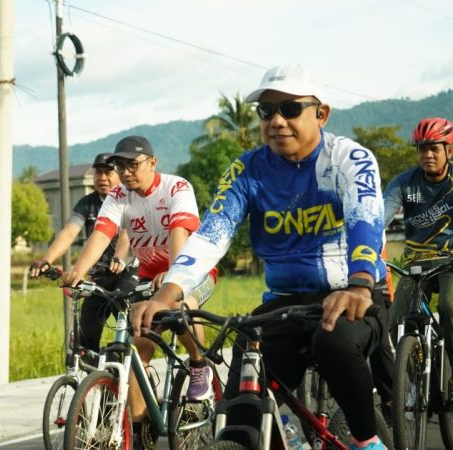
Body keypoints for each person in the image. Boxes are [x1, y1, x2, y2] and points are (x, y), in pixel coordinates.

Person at [131, 64, 390, 450]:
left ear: (321, 113)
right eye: (266, 112)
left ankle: (366, 440)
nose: (277, 121)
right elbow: (211, 235)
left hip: (352, 295)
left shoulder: (349, 159)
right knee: (242, 402)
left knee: (332, 343)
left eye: (290, 109)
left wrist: (359, 284)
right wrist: (167, 294)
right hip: (284, 304)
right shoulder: (247, 169)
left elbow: (365, 219)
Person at [61, 135, 216, 448]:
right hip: (148, 277)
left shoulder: (176, 188)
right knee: (137, 345)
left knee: (178, 308)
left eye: (133, 164)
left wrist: (173, 278)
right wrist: (78, 271)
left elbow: (178, 235)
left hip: (191, 270)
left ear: (152, 163)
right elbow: (102, 233)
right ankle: (139, 426)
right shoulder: (118, 195)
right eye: (122, 165)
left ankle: (200, 364)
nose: (126, 171)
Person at [28, 153, 138, 355]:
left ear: (119, 175)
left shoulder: (128, 198)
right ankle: (96, 382)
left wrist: (121, 258)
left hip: (126, 274)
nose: (102, 177)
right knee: (86, 339)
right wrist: (46, 260)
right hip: (98, 277)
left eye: (108, 172)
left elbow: (126, 234)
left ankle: (137, 374)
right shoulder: (87, 203)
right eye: (98, 172)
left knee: (131, 337)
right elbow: (69, 232)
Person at [384, 117, 453, 362]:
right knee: (396, 323)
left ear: (449, 150)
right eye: (422, 149)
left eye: (434, 148)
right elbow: (380, 217)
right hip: (416, 264)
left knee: (449, 309)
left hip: (450, 263)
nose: (427, 155)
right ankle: (412, 381)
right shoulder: (404, 183)